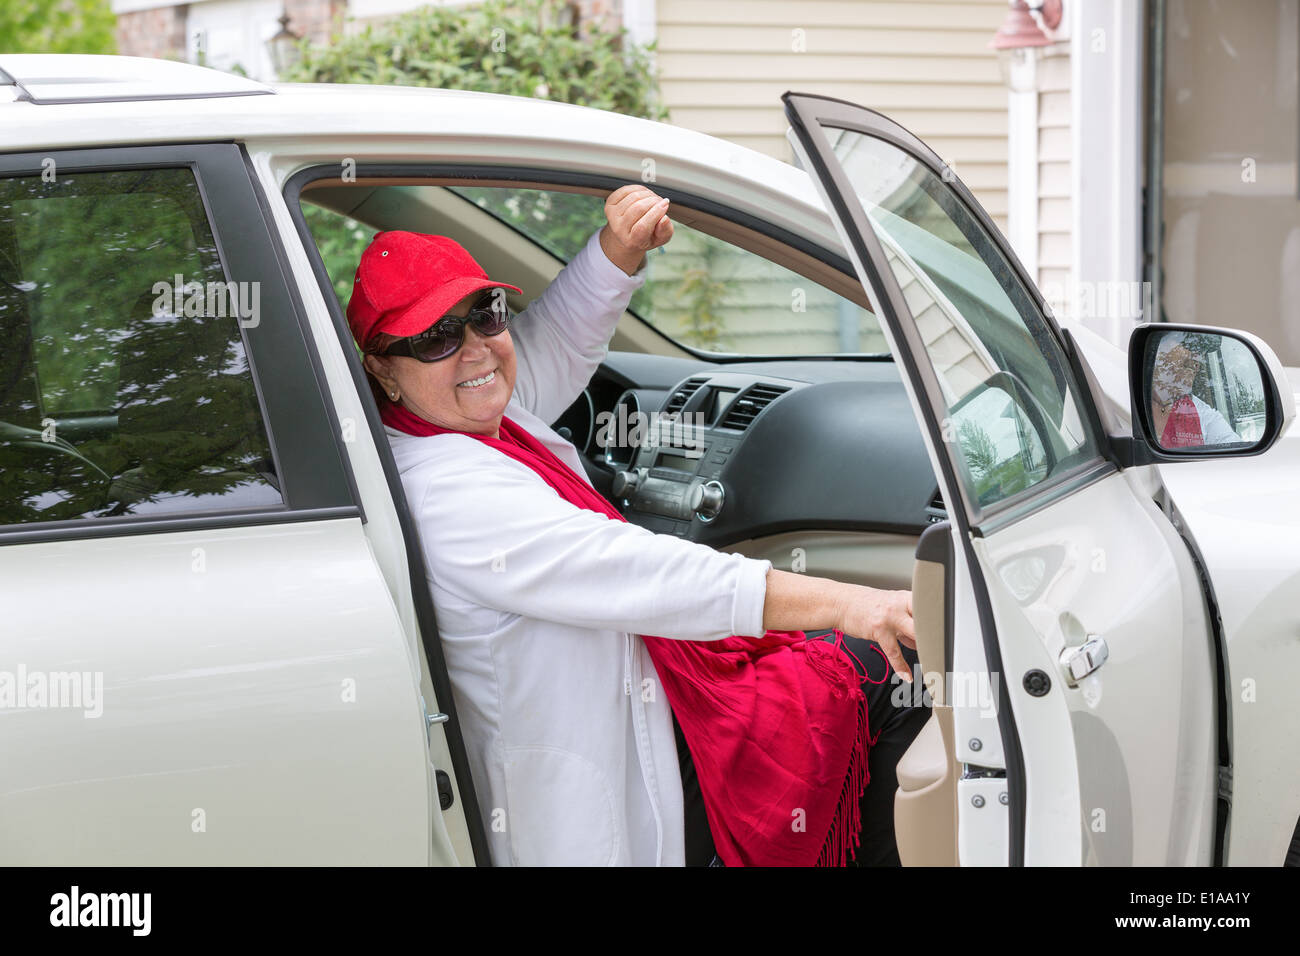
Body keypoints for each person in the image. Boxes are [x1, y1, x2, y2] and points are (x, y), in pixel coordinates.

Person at [349, 184, 927, 866]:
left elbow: (554, 344)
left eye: (486, 313)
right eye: (437, 335)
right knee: (895, 675)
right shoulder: (448, 493)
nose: (475, 348)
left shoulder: (465, 416)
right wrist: (851, 602)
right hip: (600, 772)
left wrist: (617, 249)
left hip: (649, 699)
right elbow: (642, 571)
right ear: (383, 368)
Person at [1150, 332, 1240, 448]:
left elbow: (1236, 452)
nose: (1198, 360)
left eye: (1202, 352)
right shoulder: (1127, 396)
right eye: (1190, 345)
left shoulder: (1204, 415)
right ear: (1158, 347)